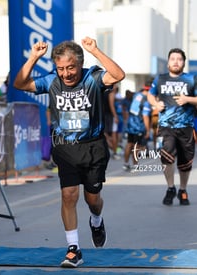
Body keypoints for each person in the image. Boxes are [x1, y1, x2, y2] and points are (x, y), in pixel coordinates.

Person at [13, 37, 125, 267]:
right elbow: (21, 84)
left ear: (80, 64)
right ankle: (73, 249)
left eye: (71, 67)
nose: (66, 74)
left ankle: (96, 220)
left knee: (92, 199)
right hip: (65, 148)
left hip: (93, 147)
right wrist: (33, 57)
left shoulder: (93, 77)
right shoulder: (52, 81)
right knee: (68, 194)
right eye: (61, 68)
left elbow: (118, 75)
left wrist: (96, 51)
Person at [147, 48, 197, 206]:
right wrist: (155, 103)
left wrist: (188, 99)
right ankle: (170, 187)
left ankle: (183, 189)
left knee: (185, 162)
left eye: (179, 59)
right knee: (165, 156)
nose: (175, 61)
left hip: (186, 127)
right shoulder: (160, 79)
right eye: (172, 59)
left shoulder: (192, 79)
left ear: (183, 62)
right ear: (168, 62)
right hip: (165, 126)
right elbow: (150, 94)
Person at [123, 85, 151, 173]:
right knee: (136, 146)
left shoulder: (137, 95)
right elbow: (145, 116)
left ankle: (126, 163)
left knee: (129, 144)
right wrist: (147, 130)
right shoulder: (145, 100)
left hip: (130, 124)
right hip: (138, 126)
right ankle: (135, 165)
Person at [103, 85, 120, 159]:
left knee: (105, 133)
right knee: (113, 134)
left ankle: (111, 148)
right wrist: (115, 116)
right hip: (110, 116)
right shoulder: (111, 93)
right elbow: (111, 105)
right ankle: (114, 151)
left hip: (104, 115)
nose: (117, 86)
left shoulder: (104, 92)